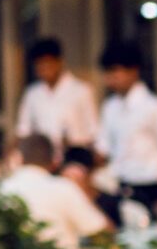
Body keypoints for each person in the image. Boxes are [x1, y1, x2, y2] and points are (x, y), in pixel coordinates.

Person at [96, 40, 157, 224]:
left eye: (115, 71)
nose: (110, 78)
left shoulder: (154, 107)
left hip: (151, 189)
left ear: (133, 71)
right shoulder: (110, 107)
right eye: (107, 73)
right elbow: (102, 151)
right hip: (122, 186)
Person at [0, 134, 111, 249]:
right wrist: (84, 191)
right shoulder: (63, 188)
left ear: (19, 158)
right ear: (55, 161)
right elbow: (102, 233)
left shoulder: (1, 189)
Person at [13, 36, 99, 167]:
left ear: (59, 62)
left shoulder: (81, 90)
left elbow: (93, 132)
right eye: (39, 64)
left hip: (74, 159)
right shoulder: (32, 94)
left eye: (47, 63)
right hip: (42, 162)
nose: (44, 68)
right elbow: (23, 130)